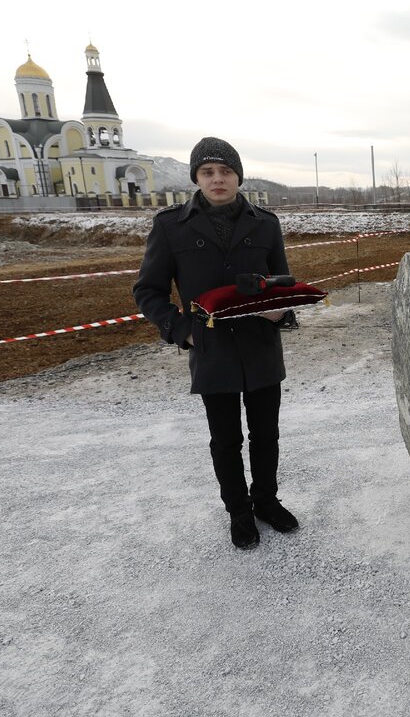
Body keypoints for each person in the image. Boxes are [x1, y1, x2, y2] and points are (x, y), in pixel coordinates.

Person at [133, 137, 299, 549]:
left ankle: (266, 501)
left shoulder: (266, 224)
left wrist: (282, 312)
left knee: (266, 434)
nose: (217, 179)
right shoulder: (171, 226)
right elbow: (148, 291)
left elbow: (282, 285)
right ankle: (239, 512)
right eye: (208, 172)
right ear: (196, 178)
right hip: (212, 349)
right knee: (226, 440)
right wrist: (182, 330)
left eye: (226, 171)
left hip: (260, 347)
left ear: (238, 177)